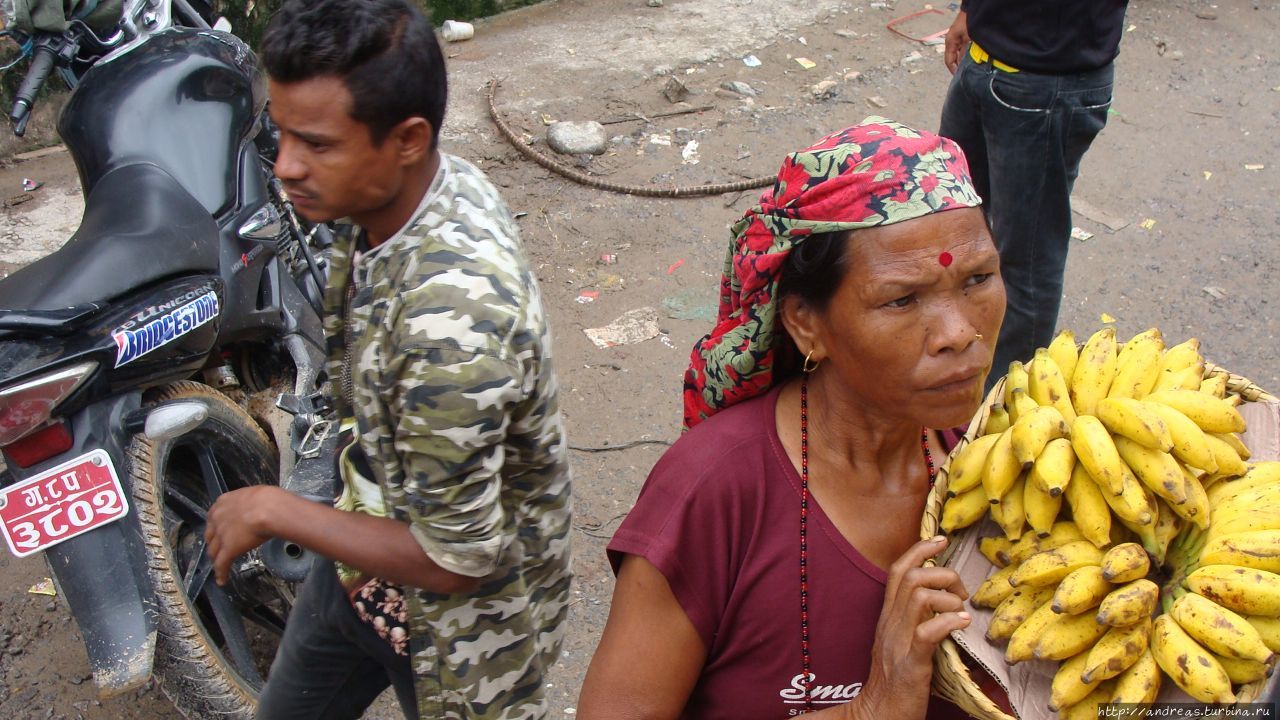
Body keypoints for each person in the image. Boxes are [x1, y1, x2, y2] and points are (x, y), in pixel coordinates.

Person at [202, 0, 572, 717]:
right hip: (359, 560)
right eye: (278, 135)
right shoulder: (401, 193)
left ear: (407, 139)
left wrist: (276, 510)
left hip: (464, 635)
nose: (286, 167)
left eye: (316, 144)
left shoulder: (453, 330)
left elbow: (455, 561)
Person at [577, 118, 1006, 719]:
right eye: (902, 299)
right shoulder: (714, 494)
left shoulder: (1010, 458)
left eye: (979, 279)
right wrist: (869, 709)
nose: (960, 334)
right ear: (806, 322)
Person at [938, 0, 1129, 384]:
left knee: (1024, 267)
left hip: (1047, 85)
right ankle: (954, 366)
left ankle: (1003, 406)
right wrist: (971, 11)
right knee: (950, 227)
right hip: (983, 57)